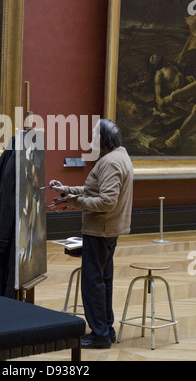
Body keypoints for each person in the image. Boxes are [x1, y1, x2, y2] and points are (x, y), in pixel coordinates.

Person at [50, 119, 133, 349]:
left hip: (101, 229)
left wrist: (75, 202)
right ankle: (106, 328)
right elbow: (94, 189)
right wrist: (67, 190)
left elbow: (107, 201)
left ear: (103, 140)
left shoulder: (110, 162)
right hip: (107, 229)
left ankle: (99, 335)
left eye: (95, 137)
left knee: (93, 282)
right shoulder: (118, 157)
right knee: (103, 280)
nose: (92, 141)